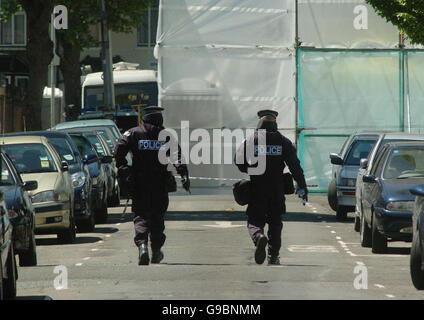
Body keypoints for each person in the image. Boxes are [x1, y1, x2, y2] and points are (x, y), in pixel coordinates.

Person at [114, 106, 190, 265]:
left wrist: (123, 167)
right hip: (159, 184)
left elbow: (119, 149)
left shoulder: (133, 133)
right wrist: (183, 174)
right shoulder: (166, 136)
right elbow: (177, 156)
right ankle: (155, 250)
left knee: (141, 215)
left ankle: (142, 247)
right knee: (157, 217)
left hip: (139, 183)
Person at [234, 109, 308, 265]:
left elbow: (238, 160)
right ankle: (273, 256)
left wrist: (250, 169)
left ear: (260, 122)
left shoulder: (251, 140)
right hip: (276, 189)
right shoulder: (283, 141)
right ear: (275, 123)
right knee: (275, 222)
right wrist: (302, 186)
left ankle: (259, 237)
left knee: (254, 219)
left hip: (257, 188)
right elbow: (295, 166)